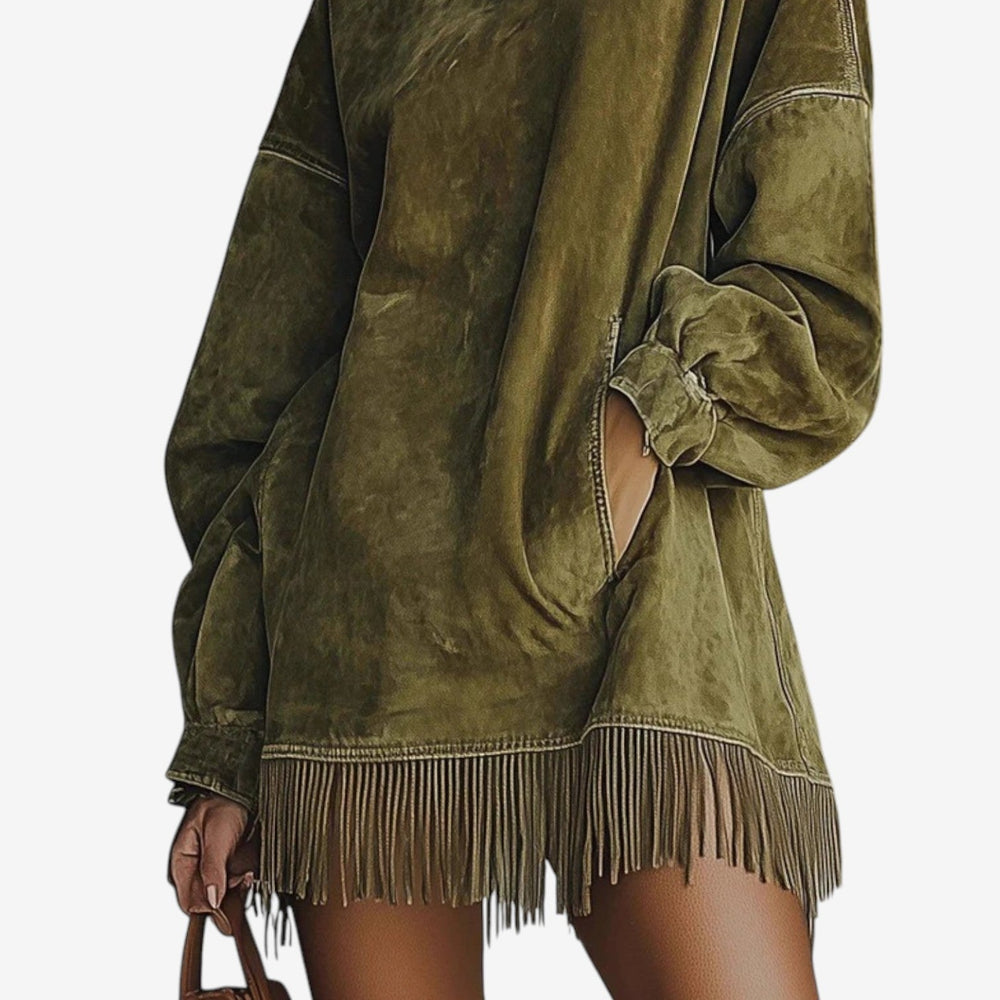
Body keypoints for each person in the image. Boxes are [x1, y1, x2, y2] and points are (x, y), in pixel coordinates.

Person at [165, 0, 881, 996]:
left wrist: (634, 433)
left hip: (639, 612)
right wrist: (234, 728)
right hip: (370, 644)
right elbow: (257, 384)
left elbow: (820, 301)